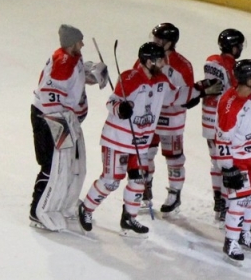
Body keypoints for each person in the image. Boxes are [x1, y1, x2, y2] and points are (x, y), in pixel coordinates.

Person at [78, 42, 222, 236]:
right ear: (148, 61)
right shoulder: (130, 77)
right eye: (160, 60)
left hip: (140, 143)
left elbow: (175, 96)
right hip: (118, 140)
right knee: (111, 180)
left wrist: (200, 89)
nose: (163, 63)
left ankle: (129, 218)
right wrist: (120, 109)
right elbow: (112, 102)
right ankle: (86, 209)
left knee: (139, 180)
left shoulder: (161, 80)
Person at [29, 24, 107, 231]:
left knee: (71, 165)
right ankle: (37, 210)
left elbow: (76, 78)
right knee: (52, 165)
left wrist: (92, 75)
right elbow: (50, 95)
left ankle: (63, 204)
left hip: (62, 119)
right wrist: (63, 120)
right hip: (49, 119)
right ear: (72, 42)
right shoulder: (62, 64)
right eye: (80, 40)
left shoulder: (72, 57)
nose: (82, 44)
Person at [141, 23, 196, 214]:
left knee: (174, 158)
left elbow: (189, 93)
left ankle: (174, 194)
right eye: (155, 37)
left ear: (170, 42)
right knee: (145, 154)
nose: (155, 41)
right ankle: (144, 189)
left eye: (160, 39)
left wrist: (189, 99)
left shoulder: (183, 65)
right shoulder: (147, 56)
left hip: (172, 119)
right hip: (149, 116)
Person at [215, 59, 251, 263]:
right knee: (239, 201)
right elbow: (222, 139)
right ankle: (231, 241)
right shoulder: (230, 104)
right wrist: (228, 168)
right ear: (249, 80)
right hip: (238, 159)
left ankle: (245, 233)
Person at [203, 28, 245, 223]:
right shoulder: (234, 67)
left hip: (207, 118)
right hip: (222, 120)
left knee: (215, 162)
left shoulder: (210, 60)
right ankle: (226, 204)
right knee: (227, 162)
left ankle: (218, 201)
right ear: (234, 47)